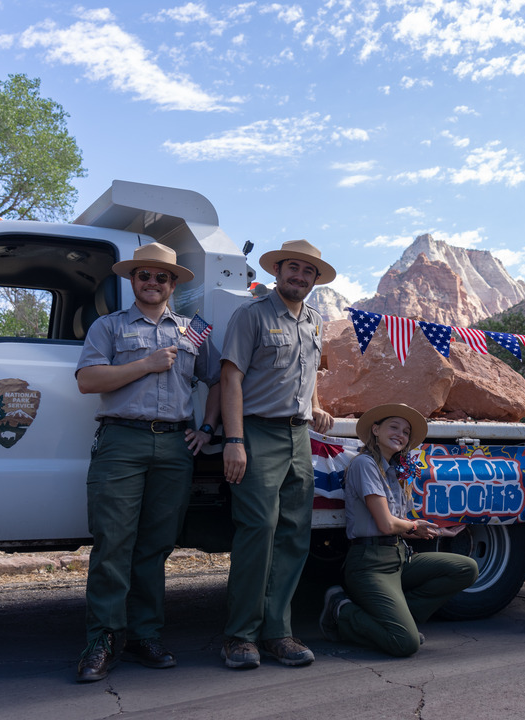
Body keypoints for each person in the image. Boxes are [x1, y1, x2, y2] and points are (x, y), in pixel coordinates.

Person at [74, 242, 221, 682]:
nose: (152, 282)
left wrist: (208, 428)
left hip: (175, 447)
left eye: (162, 277)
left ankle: (144, 636)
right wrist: (146, 364)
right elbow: (87, 380)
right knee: (112, 544)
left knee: (155, 547)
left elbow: (217, 380)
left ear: (174, 283)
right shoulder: (109, 327)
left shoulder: (194, 330)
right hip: (122, 441)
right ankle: (102, 639)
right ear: (132, 280)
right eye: (144, 275)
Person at [218, 239, 336, 669]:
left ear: (314, 279)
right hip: (257, 433)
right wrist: (234, 440)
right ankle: (240, 636)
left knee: (292, 535)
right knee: (257, 533)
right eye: (293, 268)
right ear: (278, 271)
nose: (300, 276)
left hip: (298, 437)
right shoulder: (251, 315)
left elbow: (309, 373)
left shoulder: (315, 322)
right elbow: (230, 378)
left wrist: (316, 406)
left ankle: (277, 632)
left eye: (308, 271)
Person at [319, 404, 478, 656]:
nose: (401, 435)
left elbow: (397, 528)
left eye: (405, 432)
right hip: (369, 565)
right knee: (405, 644)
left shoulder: (396, 472)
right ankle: (342, 611)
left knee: (465, 568)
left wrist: (432, 531)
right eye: (394, 427)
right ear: (376, 429)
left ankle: (399, 621)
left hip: (399, 558)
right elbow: (385, 524)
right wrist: (415, 525)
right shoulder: (365, 464)